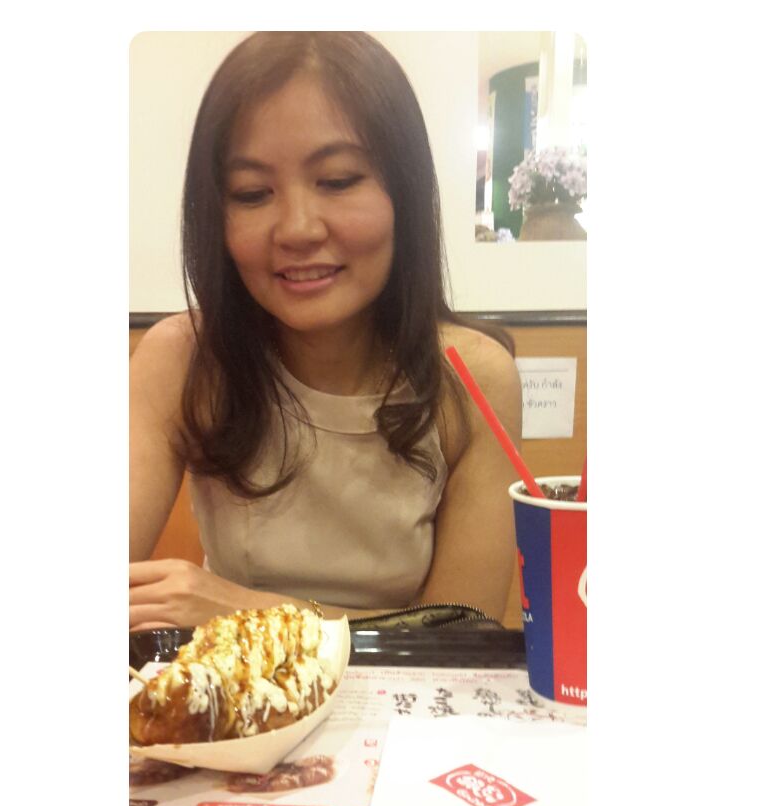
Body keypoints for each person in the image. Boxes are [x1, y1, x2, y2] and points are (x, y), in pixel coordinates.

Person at [130, 32, 522, 630]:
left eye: (337, 180)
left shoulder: (474, 379)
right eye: (252, 193)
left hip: (403, 693)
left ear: (403, 192)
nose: (298, 228)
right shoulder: (181, 360)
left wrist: (242, 610)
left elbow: (460, 637)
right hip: (232, 688)